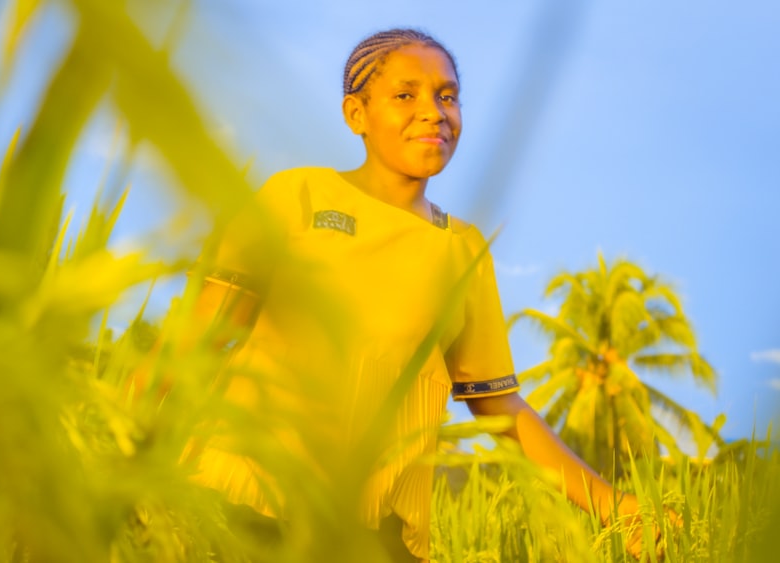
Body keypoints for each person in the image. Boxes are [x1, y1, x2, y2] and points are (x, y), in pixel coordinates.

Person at [151, 28, 656, 562]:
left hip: (377, 534)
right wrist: (128, 457)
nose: (434, 111)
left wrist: (616, 507)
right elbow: (198, 341)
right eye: (404, 94)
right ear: (356, 114)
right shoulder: (295, 195)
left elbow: (500, 406)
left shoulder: (462, 249)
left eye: (447, 95)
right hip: (242, 504)